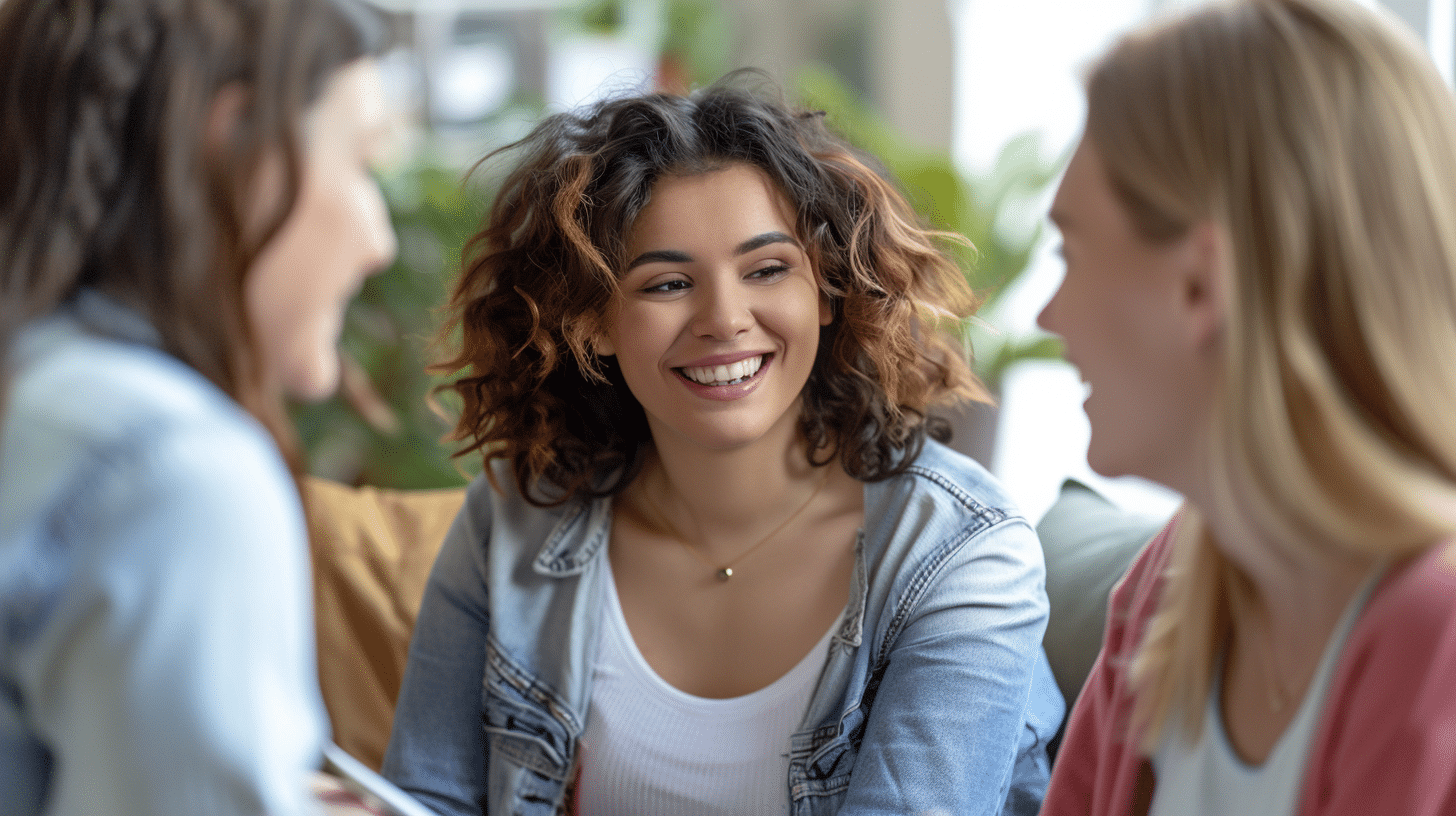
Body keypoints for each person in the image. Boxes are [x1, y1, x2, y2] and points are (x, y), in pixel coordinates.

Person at [381, 76, 1064, 816]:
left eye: (767, 270)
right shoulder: (509, 522)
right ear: (591, 323)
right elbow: (427, 800)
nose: (724, 320)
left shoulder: (962, 555)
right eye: (668, 283)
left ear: (828, 289)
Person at [1035, 0, 1456, 813]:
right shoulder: (1172, 584)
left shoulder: (1434, 631)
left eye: (1071, 252)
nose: (1049, 317)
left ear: (1202, 285)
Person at [0, 0, 397, 813]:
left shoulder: (42, 394)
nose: (377, 238)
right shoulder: (173, 471)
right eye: (359, 163)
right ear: (239, 145)